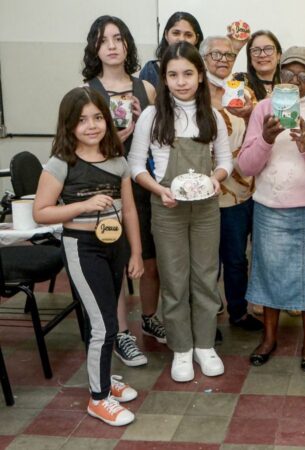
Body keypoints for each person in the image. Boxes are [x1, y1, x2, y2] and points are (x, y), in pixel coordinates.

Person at [33, 87, 144, 426]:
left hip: (114, 248)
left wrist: (135, 251)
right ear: (69, 125)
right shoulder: (60, 163)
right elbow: (41, 212)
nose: (92, 126)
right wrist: (82, 205)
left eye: (97, 117)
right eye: (82, 120)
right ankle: (99, 399)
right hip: (82, 249)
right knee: (104, 324)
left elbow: (128, 210)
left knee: (107, 317)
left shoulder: (117, 161)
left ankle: (105, 379)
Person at [129, 42, 233, 383]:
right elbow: (135, 167)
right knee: (174, 281)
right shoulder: (152, 116)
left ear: (200, 77)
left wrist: (216, 180)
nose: (181, 81)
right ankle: (182, 349)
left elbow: (225, 162)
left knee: (204, 277)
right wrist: (160, 190)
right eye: (173, 75)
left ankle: (205, 345)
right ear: (164, 79)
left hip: (205, 210)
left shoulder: (213, 116)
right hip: (167, 208)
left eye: (188, 73)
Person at [238, 46, 305, 371]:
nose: (295, 80)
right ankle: (269, 338)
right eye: (288, 73)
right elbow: (245, 166)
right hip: (270, 207)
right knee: (269, 275)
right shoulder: (263, 110)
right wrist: (267, 139)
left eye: (303, 74)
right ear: (279, 75)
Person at [81, 15, 165, 368]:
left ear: (128, 44)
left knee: (148, 259)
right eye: (103, 41)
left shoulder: (145, 89)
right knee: (115, 260)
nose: (112, 46)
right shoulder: (86, 90)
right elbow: (79, 144)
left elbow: (161, 136)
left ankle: (149, 317)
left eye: (118, 38)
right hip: (106, 185)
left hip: (142, 181)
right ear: (95, 48)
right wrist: (117, 137)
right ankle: (120, 333)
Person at [200, 36, 262, 331]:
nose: (223, 59)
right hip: (206, 190)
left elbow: (260, 133)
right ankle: (207, 315)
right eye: (216, 54)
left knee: (237, 258)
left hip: (241, 190)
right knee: (207, 262)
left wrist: (251, 114)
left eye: (228, 55)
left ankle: (239, 312)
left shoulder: (245, 93)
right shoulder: (194, 95)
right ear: (203, 58)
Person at [139, 12, 204, 89]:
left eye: (188, 35)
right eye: (176, 33)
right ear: (166, 35)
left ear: (196, 39)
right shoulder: (150, 71)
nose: (181, 39)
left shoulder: (204, 69)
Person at [233, 30, 283, 101]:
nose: (262, 55)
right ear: (250, 58)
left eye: (268, 49)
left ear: (278, 55)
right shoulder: (239, 82)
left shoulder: (288, 86)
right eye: (256, 50)